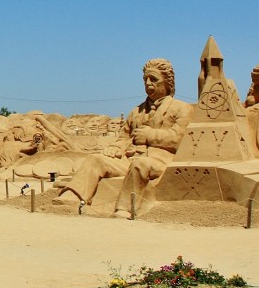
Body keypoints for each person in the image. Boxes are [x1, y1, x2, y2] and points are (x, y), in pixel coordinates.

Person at [59, 59, 192, 217]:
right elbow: (124, 137)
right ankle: (72, 197)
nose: (148, 83)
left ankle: (124, 209)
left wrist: (150, 135)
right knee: (96, 159)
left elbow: (179, 138)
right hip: (128, 160)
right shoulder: (136, 111)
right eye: (145, 79)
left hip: (161, 161)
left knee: (140, 164)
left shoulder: (182, 108)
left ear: (167, 82)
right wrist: (116, 147)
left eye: (153, 79)